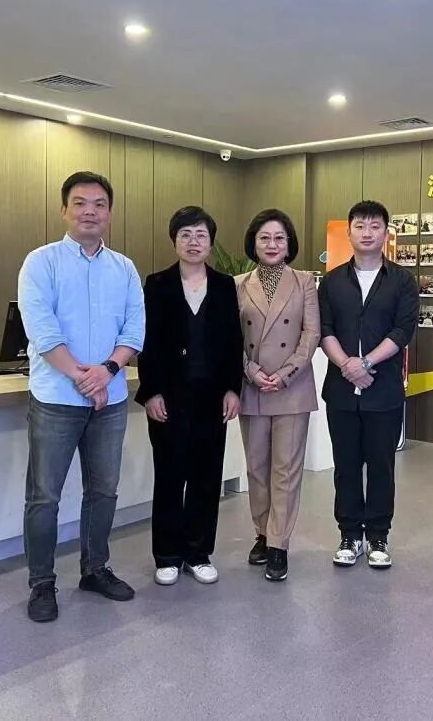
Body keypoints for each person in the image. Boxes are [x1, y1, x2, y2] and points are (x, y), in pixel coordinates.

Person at [17, 171, 145, 623]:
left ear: (110, 213)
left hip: (109, 400)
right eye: (80, 203)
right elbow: (42, 330)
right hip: (56, 398)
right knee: (44, 497)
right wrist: (81, 376)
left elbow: (134, 330)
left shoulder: (124, 268)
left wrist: (106, 371)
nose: (90, 211)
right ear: (64, 210)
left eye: (99, 204)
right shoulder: (41, 263)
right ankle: (42, 583)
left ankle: (94, 570)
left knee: (103, 490)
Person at [136, 206, 243, 587]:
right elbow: (146, 342)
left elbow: (233, 342)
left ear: (211, 243)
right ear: (174, 241)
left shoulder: (224, 285)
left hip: (212, 397)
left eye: (201, 235)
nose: (193, 242)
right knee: (169, 475)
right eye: (185, 234)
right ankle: (167, 555)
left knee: (206, 476)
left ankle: (198, 553)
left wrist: (232, 388)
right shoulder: (157, 284)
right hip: (169, 397)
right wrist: (150, 391)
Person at [318, 200, 419, 569]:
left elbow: (403, 330)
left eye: (375, 226)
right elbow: (324, 329)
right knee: (345, 466)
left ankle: (378, 536)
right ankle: (349, 535)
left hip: (383, 389)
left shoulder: (402, 280)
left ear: (385, 233)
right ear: (348, 232)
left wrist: (366, 363)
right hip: (341, 391)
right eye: (359, 225)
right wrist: (347, 365)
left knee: (381, 465)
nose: (367, 232)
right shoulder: (331, 281)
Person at [235, 209, 320, 582]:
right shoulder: (237, 284)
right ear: (253, 243)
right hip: (252, 386)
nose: (272, 244)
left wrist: (285, 375)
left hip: (292, 388)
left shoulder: (304, 282)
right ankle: (261, 531)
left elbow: (311, 334)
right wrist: (252, 371)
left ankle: (278, 544)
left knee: (285, 469)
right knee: (257, 468)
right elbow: (230, 337)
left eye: (279, 238)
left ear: (289, 244)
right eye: (265, 237)